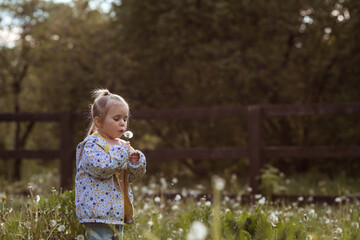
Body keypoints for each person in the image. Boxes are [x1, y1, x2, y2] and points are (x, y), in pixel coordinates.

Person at [75, 89, 146, 240]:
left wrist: (136, 163)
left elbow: (131, 177)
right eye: (116, 119)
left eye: (125, 119)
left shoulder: (122, 145)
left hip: (117, 212)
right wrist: (121, 153)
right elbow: (101, 169)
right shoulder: (92, 144)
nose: (122, 123)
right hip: (98, 213)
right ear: (98, 121)